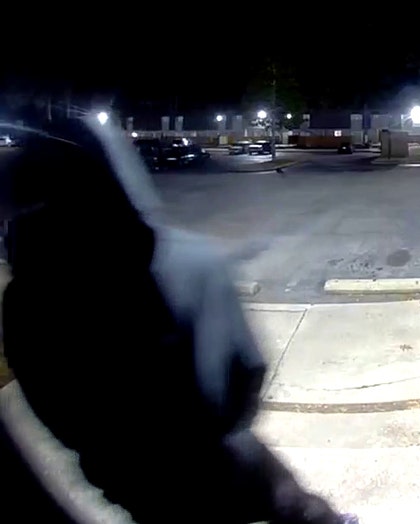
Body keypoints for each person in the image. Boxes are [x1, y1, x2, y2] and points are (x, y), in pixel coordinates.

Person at [0, 119, 343, 524]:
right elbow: (241, 380)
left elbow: (54, 415)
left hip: (122, 479)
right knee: (294, 503)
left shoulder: (22, 297)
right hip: (213, 465)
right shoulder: (180, 262)